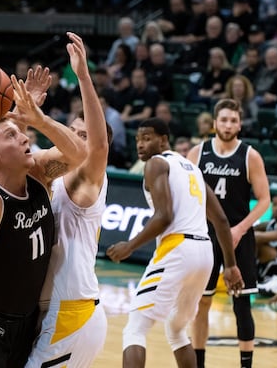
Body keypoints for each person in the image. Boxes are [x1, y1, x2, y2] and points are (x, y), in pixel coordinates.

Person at [0, 65, 87, 368]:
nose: (26, 139)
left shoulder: (38, 177)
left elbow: (79, 155)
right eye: (12, 136)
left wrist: (33, 115)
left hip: (26, 322)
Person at [105, 117, 244, 368]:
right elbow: (221, 221)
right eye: (137, 139)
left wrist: (130, 245)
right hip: (205, 252)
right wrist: (231, 266)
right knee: (177, 329)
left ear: (164, 140)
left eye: (147, 138)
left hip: (178, 247)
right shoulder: (193, 168)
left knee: (135, 327)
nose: (140, 145)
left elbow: (164, 216)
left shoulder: (157, 164)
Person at [26, 32, 110, 367]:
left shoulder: (87, 178)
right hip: (52, 309)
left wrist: (84, 77)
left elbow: (98, 147)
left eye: (84, 135)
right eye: (73, 132)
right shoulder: (52, 172)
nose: (76, 139)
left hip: (72, 309)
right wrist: (24, 106)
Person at [186, 98, 271, 368]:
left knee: (242, 305)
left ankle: (246, 365)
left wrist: (241, 228)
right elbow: (186, 195)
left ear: (240, 124)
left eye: (233, 120)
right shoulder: (197, 153)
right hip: (204, 236)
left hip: (239, 235)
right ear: (214, 123)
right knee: (202, 303)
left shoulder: (250, 156)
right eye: (223, 119)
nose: (228, 124)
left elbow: (264, 200)